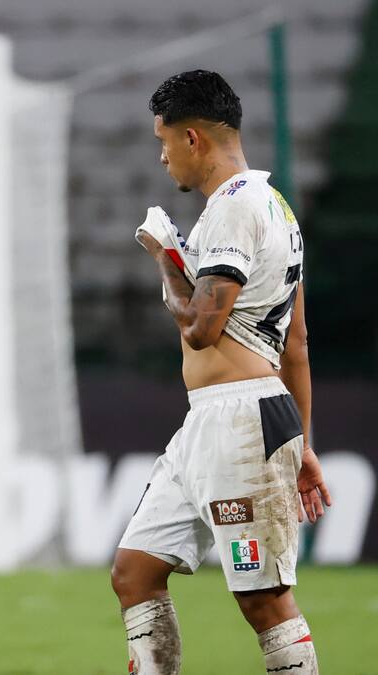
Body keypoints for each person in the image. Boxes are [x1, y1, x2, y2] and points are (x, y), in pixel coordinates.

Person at [112, 70, 331, 675]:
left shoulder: (234, 207)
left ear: (192, 138)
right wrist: (303, 444)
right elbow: (298, 344)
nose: (162, 158)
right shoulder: (277, 210)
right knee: (135, 570)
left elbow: (201, 327)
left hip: (242, 418)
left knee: (263, 598)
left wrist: (163, 256)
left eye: (163, 142)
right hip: (220, 421)